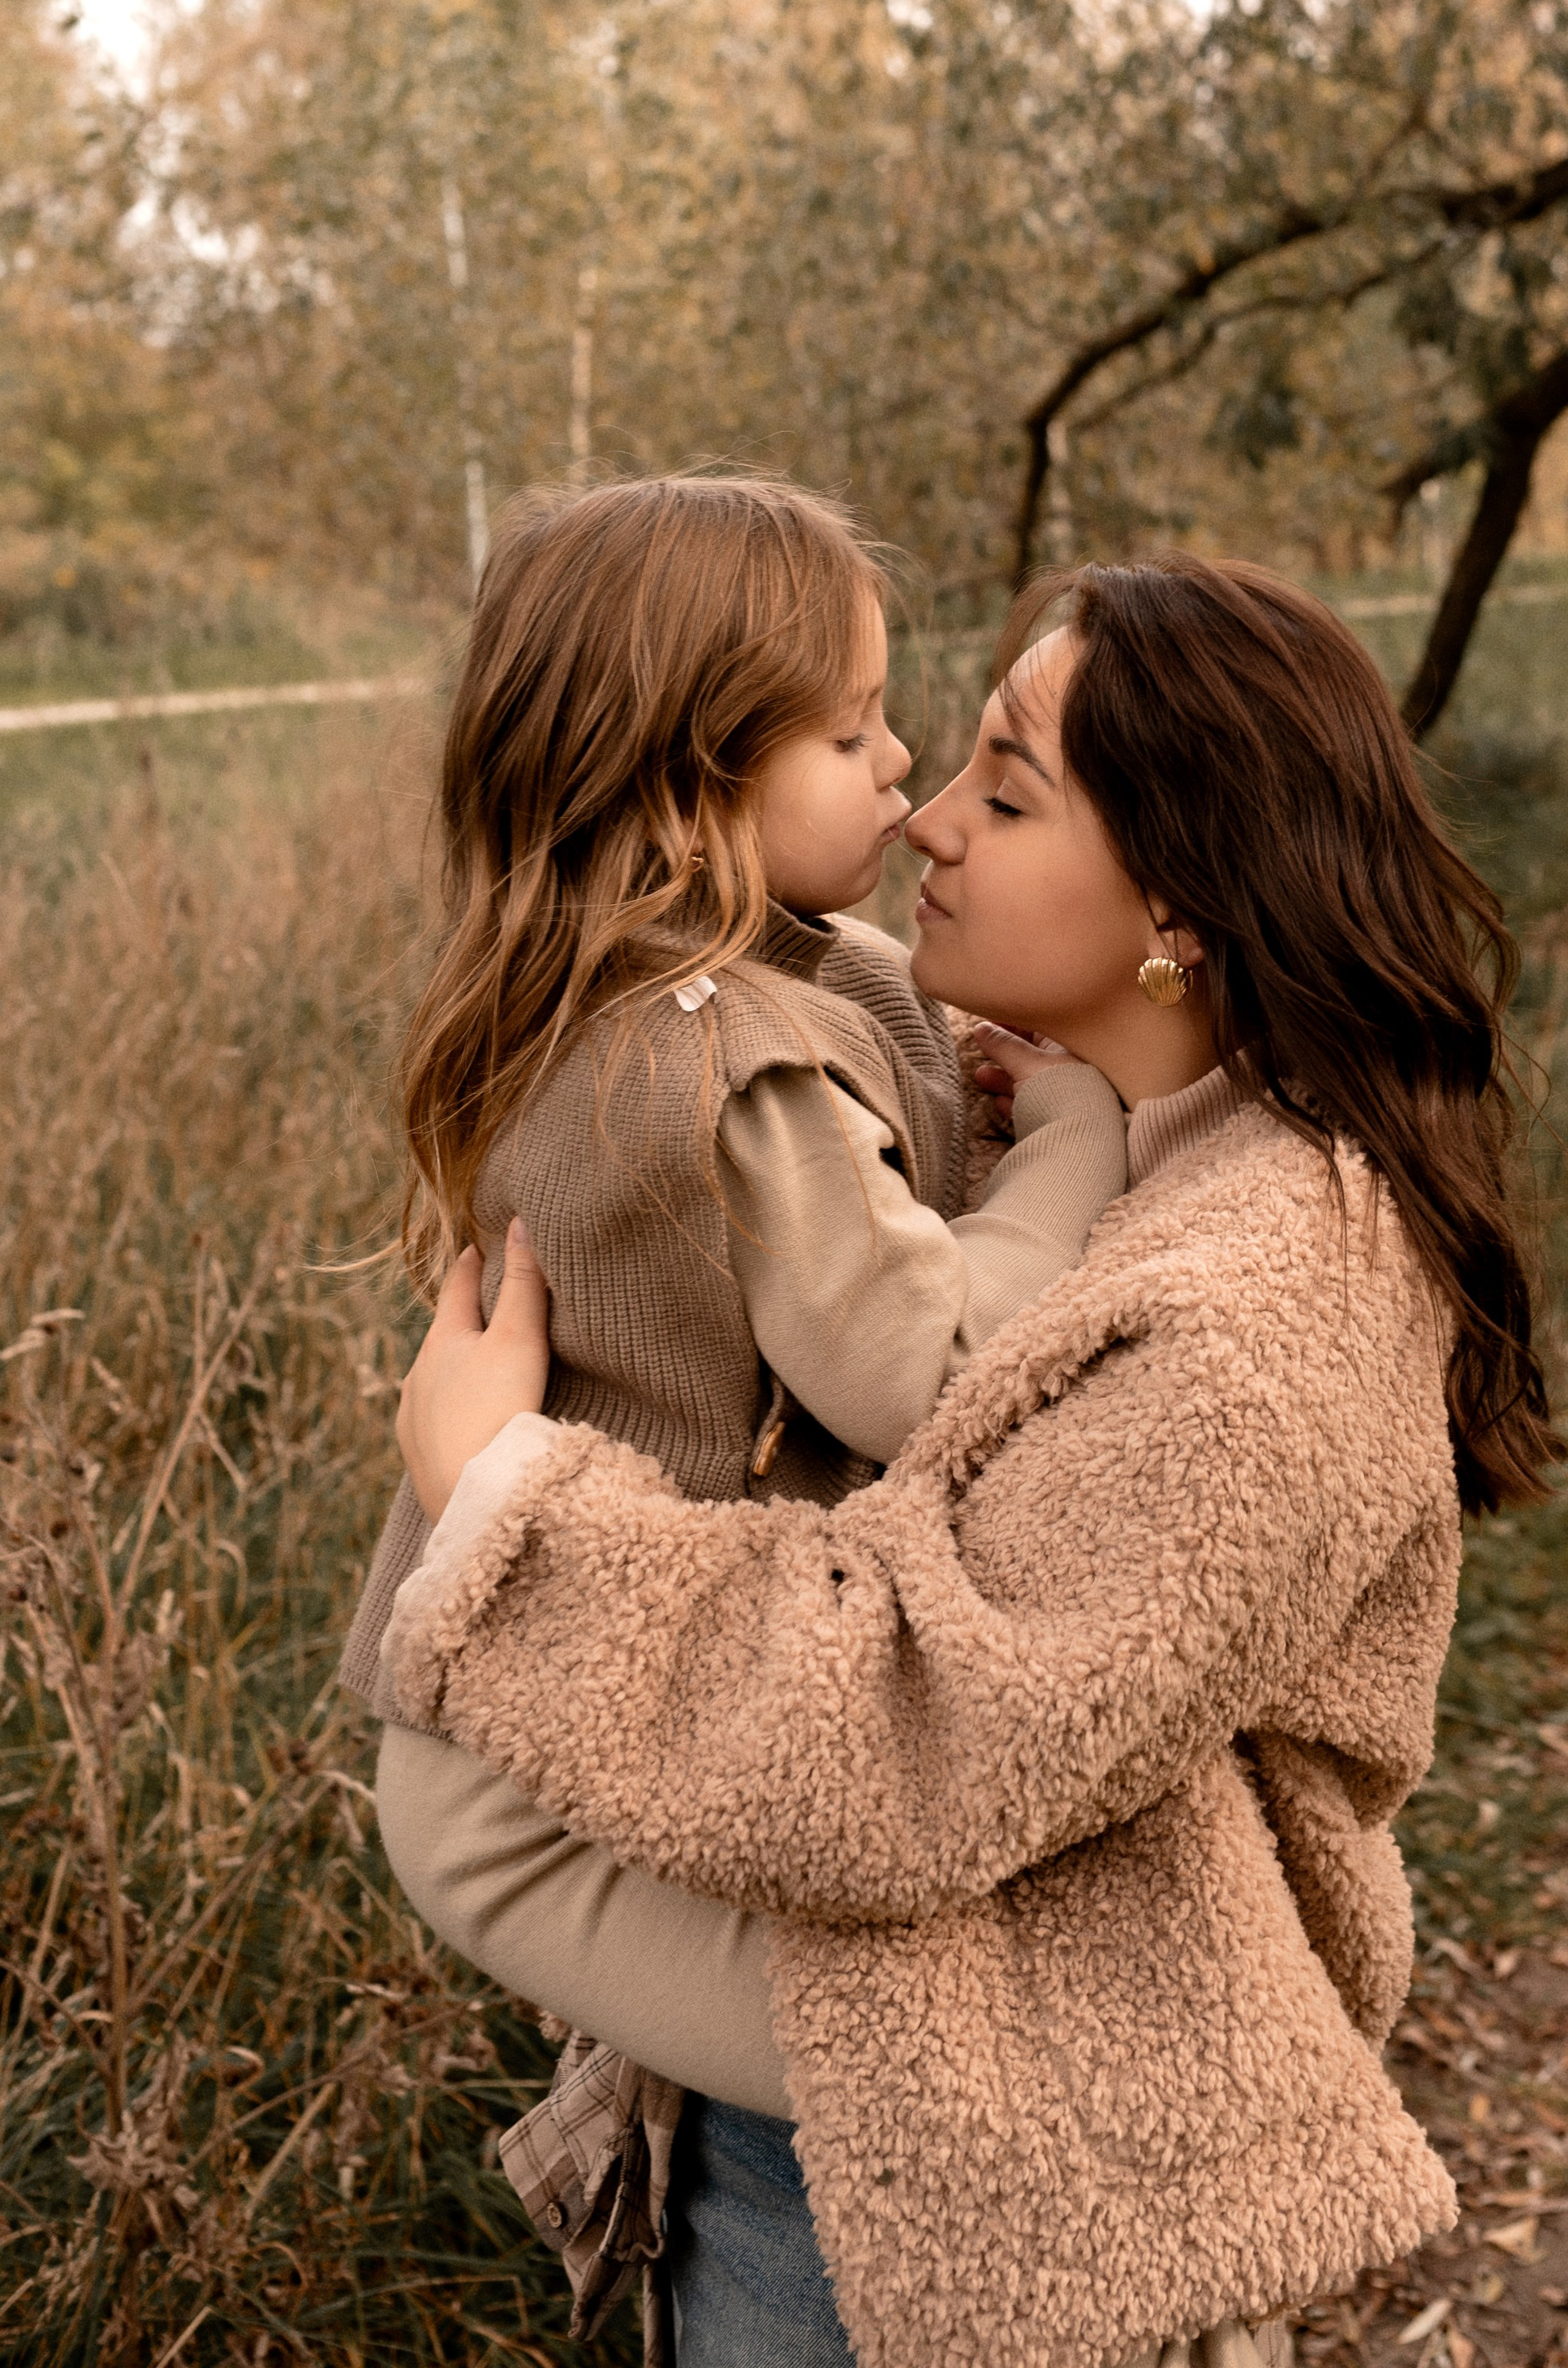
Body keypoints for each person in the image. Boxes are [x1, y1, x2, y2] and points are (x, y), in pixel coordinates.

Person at [384, 553, 1562, 2368]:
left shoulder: (1257, 1308)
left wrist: (502, 1510)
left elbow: (919, 1723)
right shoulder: (1127, 1146)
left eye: (1002, 792)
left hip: (962, 2131)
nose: (925, 813)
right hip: (894, 2061)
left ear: (1180, 898)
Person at [343, 473, 1129, 2119]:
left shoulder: (661, 978)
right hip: (529, 1783)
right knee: (937, 2072)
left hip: (560, 1695)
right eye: (849, 738)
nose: (903, 762)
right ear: (690, 780)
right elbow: (925, 1363)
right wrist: (1071, 1136)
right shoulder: (730, 1053)